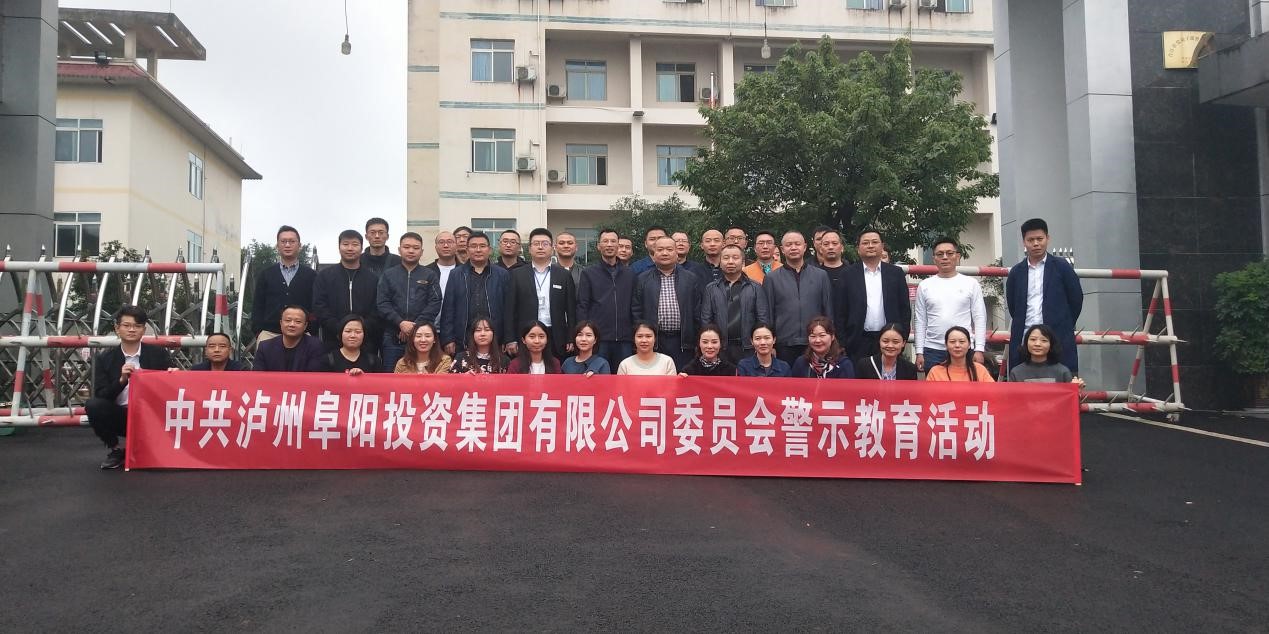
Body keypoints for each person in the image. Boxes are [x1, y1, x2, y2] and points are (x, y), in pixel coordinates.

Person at [86, 305, 176, 469]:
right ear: (117, 328)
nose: (132, 330)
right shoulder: (104, 358)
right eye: (127, 325)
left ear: (144, 330)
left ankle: (156, 447)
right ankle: (115, 450)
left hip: (153, 415)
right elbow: (101, 395)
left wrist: (174, 376)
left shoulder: (159, 354)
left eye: (137, 326)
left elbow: (172, 390)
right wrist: (121, 381)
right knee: (93, 405)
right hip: (122, 415)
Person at [1006, 218, 1084, 373]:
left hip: (1057, 338)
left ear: (1048, 238)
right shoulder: (1016, 272)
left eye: (1039, 239)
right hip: (1025, 340)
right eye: (1031, 240)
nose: (1036, 244)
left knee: (1061, 382)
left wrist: (1063, 324)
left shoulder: (1062, 267)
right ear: (1024, 242)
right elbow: (1013, 306)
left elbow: (1076, 299)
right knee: (1023, 383)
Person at [914, 237, 987, 372]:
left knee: (965, 385)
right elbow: (920, 320)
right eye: (940, 254)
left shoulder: (971, 284)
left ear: (957, 256)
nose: (945, 257)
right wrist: (919, 351)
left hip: (964, 348)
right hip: (933, 349)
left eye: (949, 253)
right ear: (934, 258)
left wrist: (979, 349)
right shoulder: (924, 286)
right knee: (934, 385)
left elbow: (979, 317)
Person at [505, 228, 577, 360]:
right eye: (536, 244)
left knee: (555, 369)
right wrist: (510, 338)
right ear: (529, 248)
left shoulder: (563, 275)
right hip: (527, 334)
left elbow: (571, 310)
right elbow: (509, 309)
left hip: (556, 335)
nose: (540, 247)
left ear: (552, 248)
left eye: (545, 244)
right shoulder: (517, 274)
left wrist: (571, 337)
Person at [764, 231, 834, 365]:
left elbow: (828, 310)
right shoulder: (772, 278)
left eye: (797, 244)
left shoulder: (820, 275)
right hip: (784, 343)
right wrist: (770, 343)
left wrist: (829, 338)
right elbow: (768, 313)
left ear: (805, 247)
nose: (793, 248)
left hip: (815, 341)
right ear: (782, 249)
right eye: (789, 245)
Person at [632, 235, 702, 370]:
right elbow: (636, 311)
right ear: (654, 254)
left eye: (669, 249)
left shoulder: (690, 279)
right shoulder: (642, 279)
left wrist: (696, 340)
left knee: (682, 377)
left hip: (683, 342)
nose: (664, 253)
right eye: (660, 249)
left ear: (676, 253)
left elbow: (697, 311)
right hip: (655, 341)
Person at [376, 232, 443, 371]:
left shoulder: (429, 275)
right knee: (392, 376)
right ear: (399, 250)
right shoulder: (388, 275)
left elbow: (435, 302)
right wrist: (400, 323)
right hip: (393, 336)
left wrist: (414, 327)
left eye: (416, 248)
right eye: (406, 247)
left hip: (422, 338)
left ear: (422, 251)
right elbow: (382, 303)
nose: (411, 251)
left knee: (422, 376)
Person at [843, 229, 912, 361]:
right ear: (858, 249)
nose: (870, 246)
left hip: (889, 340)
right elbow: (841, 311)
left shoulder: (896, 273)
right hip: (857, 341)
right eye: (865, 243)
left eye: (874, 242)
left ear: (882, 246)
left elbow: (904, 309)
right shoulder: (847, 274)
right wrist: (844, 342)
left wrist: (902, 337)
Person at [440, 231, 510, 356]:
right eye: (473, 246)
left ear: (489, 250)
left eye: (482, 246)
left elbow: (508, 309)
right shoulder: (456, 274)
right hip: (463, 338)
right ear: (467, 250)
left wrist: (507, 338)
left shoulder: (501, 274)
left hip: (495, 338)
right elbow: (448, 308)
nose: (478, 250)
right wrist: (448, 338)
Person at [313, 228, 381, 353]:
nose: (350, 248)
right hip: (333, 339)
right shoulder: (325, 276)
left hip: (365, 341)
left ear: (361, 248)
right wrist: (339, 328)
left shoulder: (373, 278)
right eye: (345, 244)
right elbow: (320, 306)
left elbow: (377, 308)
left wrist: (362, 328)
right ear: (339, 247)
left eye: (355, 244)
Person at [701, 244, 769, 363]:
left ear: (743, 262)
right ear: (720, 262)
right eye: (726, 258)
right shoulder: (711, 289)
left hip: (748, 348)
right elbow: (706, 320)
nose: (730, 261)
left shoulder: (755, 287)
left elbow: (762, 319)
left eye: (735, 257)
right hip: (720, 349)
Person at [577, 228, 635, 364]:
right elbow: (582, 305)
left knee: (623, 374)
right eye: (605, 241)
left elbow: (635, 305)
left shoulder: (630, 274)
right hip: (599, 338)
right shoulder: (589, 273)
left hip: (625, 338)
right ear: (598, 246)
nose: (609, 245)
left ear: (618, 245)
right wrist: (584, 333)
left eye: (613, 241)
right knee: (597, 373)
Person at [251, 225, 316, 341]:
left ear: (299, 246)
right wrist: (258, 331)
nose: (287, 245)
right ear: (277, 246)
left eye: (292, 241)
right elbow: (258, 306)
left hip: (303, 335)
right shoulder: (266, 274)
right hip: (269, 334)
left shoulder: (311, 275)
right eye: (283, 241)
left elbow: (315, 305)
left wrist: (312, 330)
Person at [254, 305, 327, 372]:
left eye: (298, 321)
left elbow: (314, 377)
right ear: (281, 323)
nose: (292, 324)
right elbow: (258, 376)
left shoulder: (315, 346)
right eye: (288, 320)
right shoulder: (265, 347)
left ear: (305, 325)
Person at [1008, 324, 1086, 386]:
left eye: (1044, 340)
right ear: (1026, 343)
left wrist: (1076, 389)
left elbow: (1070, 399)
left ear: (1051, 345)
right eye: (1033, 339)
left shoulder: (1062, 372)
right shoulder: (1016, 372)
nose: (1037, 344)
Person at [790, 316, 855, 379]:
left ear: (832, 337)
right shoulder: (801, 363)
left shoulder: (844, 364)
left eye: (822, 335)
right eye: (813, 336)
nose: (817, 340)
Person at [815, 229, 851, 337]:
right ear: (821, 249)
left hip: (849, 332)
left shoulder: (853, 274)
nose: (830, 247)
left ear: (842, 247)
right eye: (826, 244)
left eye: (834, 243)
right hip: (821, 333)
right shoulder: (814, 275)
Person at [926, 326, 994, 382]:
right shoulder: (935, 372)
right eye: (952, 341)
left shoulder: (980, 370)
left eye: (962, 341)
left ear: (969, 345)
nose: (957, 345)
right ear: (946, 345)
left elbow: (992, 391)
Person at [853, 323, 918, 381]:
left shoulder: (910, 369)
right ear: (879, 341)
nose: (890, 346)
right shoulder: (865, 365)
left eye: (895, 342)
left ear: (903, 343)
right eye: (885, 341)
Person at [425, 231, 459, 300]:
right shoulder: (426, 271)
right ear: (435, 247)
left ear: (456, 246)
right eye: (441, 242)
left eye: (450, 242)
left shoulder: (466, 271)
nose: (446, 245)